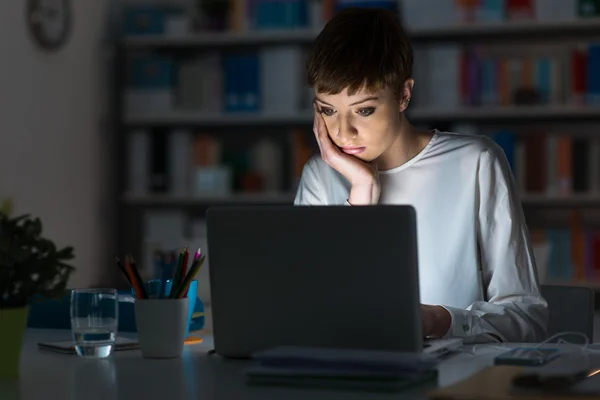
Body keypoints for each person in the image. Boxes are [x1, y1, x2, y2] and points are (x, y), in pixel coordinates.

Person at [294, 7, 548, 343]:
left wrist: (439, 321)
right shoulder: (320, 176)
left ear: (404, 95)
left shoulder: (477, 162)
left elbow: (527, 318)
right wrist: (361, 193)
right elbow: (308, 311)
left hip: (455, 382)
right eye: (328, 111)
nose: (343, 132)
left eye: (364, 110)